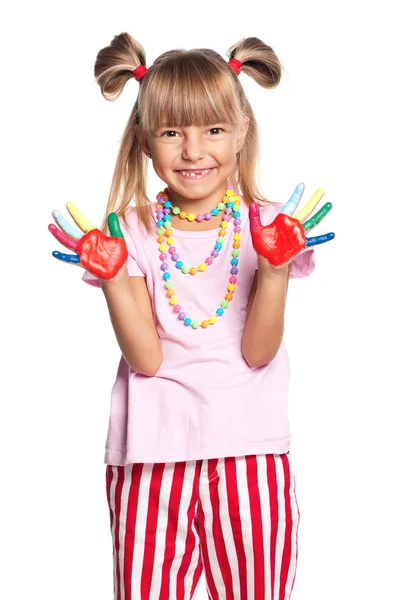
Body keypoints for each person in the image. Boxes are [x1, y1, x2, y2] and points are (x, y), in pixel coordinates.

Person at [49, 32, 334, 600]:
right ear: (145, 141)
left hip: (251, 456)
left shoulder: (271, 226)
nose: (193, 150)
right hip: (151, 460)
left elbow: (258, 351)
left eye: (213, 129)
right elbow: (146, 359)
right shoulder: (128, 232)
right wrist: (111, 279)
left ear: (242, 131)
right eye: (172, 131)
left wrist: (275, 269)